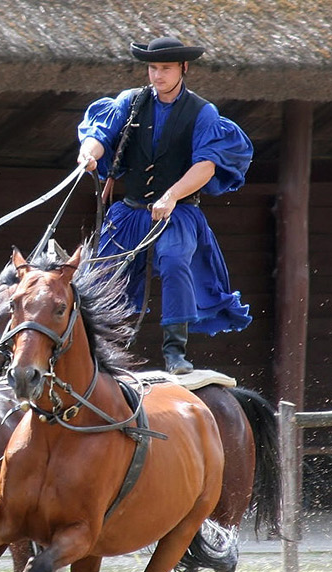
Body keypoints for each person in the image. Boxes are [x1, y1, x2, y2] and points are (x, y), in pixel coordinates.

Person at [75, 36, 254, 374]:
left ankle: (175, 352)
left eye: (165, 69)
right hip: (128, 213)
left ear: (183, 69)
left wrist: (171, 196)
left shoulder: (203, 113)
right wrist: (89, 153)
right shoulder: (130, 102)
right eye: (153, 68)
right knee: (97, 276)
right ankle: (99, 350)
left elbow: (207, 165)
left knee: (174, 261)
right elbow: (100, 133)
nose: (157, 76)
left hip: (178, 213)